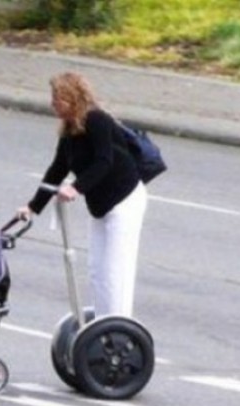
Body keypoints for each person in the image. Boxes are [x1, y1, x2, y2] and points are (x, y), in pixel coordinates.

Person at [17, 71, 148, 318]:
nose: (53, 103)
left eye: (58, 98)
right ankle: (102, 321)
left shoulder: (96, 120)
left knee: (116, 269)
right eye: (53, 97)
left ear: (73, 98)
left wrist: (76, 188)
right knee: (97, 269)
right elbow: (57, 170)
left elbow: (104, 161)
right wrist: (33, 207)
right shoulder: (69, 131)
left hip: (124, 201)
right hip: (101, 205)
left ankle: (119, 325)